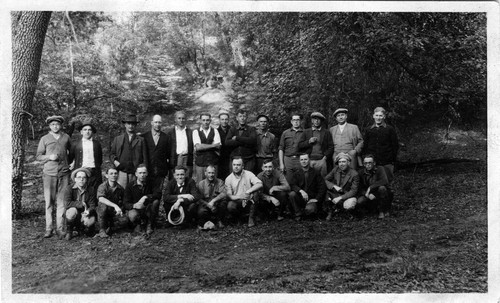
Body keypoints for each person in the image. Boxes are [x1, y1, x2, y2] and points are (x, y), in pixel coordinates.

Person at [36, 115, 72, 239]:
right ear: (49, 126)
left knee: (62, 202)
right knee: (49, 203)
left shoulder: (66, 137)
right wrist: (49, 157)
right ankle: (48, 228)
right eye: (52, 124)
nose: (55, 126)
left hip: (64, 173)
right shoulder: (44, 138)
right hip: (49, 173)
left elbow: (71, 153)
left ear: (61, 125)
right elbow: (39, 156)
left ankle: (60, 229)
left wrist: (70, 164)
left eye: (57, 124)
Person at [110, 114, 148, 189]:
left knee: (134, 192)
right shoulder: (118, 139)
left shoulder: (141, 140)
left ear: (135, 125)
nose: (130, 126)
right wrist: (116, 162)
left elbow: (145, 158)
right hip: (121, 172)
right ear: (125, 125)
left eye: (133, 124)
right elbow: (112, 154)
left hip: (135, 172)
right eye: (128, 124)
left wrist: (142, 171)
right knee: (121, 191)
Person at [362, 107, 399, 185]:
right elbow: (365, 145)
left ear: (384, 117)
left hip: (387, 161)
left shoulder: (389, 129)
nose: (378, 118)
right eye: (377, 115)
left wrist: (392, 159)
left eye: (380, 116)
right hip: (373, 161)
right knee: (374, 183)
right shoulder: (369, 129)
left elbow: (395, 145)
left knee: (388, 182)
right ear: (373, 116)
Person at [123, 164, 161, 237]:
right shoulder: (130, 186)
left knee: (156, 202)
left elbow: (158, 194)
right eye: (140, 173)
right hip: (136, 208)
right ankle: (138, 224)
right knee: (132, 215)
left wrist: (146, 197)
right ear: (136, 174)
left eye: (144, 173)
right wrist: (134, 205)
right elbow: (125, 203)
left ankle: (150, 224)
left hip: (148, 207)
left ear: (147, 173)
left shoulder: (151, 182)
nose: (142, 175)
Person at [225, 157, 263, 227]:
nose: (236, 167)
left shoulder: (249, 174)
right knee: (230, 206)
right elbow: (230, 196)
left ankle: (251, 218)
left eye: (238, 165)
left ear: (242, 166)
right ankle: (239, 218)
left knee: (256, 193)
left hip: (249, 200)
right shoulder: (228, 179)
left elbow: (259, 184)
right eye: (234, 165)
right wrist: (241, 196)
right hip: (238, 201)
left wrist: (248, 191)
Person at [288, 153, 326, 221]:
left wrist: (317, 199)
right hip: (300, 197)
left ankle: (310, 210)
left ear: (309, 160)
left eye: (305, 159)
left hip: (311, 198)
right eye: (301, 160)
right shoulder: (297, 173)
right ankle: (298, 213)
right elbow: (292, 185)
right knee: (292, 194)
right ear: (299, 161)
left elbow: (322, 187)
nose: (304, 161)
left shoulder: (316, 172)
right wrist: (301, 191)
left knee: (310, 210)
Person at [62, 168, 97, 240]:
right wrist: (81, 204)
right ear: (75, 179)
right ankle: (69, 231)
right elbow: (67, 203)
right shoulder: (69, 188)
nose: (81, 179)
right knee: (72, 211)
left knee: (91, 222)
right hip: (74, 212)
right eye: (79, 177)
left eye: (84, 177)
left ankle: (82, 229)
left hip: (85, 213)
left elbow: (92, 204)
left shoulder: (91, 189)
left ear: (86, 179)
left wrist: (89, 211)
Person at [69, 118, 103, 190]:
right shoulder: (76, 144)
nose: (87, 132)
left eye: (89, 130)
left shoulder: (97, 144)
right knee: (81, 191)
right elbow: (70, 158)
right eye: (85, 130)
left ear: (92, 132)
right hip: (81, 171)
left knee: (94, 191)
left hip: (94, 172)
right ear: (81, 132)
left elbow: (100, 159)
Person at [324, 152, 360, 221]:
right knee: (325, 191)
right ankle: (331, 211)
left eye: (344, 162)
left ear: (348, 163)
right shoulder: (336, 169)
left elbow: (353, 191)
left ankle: (346, 213)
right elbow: (325, 180)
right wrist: (334, 186)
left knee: (348, 205)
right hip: (337, 193)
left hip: (347, 195)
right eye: (340, 162)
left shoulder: (354, 174)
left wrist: (340, 198)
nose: (341, 164)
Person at [298, 112, 334, 177]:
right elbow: (300, 145)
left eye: (318, 119)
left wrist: (325, 157)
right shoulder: (306, 132)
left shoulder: (326, 132)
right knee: (309, 179)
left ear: (321, 121)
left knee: (323, 179)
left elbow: (331, 147)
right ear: (312, 120)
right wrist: (309, 142)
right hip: (309, 160)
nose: (316, 121)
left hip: (321, 160)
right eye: (314, 119)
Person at [141, 114, 170, 192]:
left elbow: (168, 154)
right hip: (147, 170)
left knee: (157, 194)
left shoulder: (166, 137)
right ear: (152, 123)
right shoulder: (144, 137)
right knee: (146, 192)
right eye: (156, 122)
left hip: (160, 171)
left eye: (159, 122)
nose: (157, 124)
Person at [357, 154, 391, 219]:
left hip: (378, 192)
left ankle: (382, 210)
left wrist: (370, 188)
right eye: (366, 163)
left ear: (374, 163)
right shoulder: (361, 172)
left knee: (382, 188)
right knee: (360, 201)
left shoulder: (380, 169)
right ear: (363, 164)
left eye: (370, 163)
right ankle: (370, 210)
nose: (368, 165)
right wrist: (366, 194)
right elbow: (359, 187)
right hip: (367, 194)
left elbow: (384, 181)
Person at [96, 167, 125, 238]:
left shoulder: (120, 188)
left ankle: (111, 226)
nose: (113, 175)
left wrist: (120, 209)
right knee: (103, 206)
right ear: (106, 176)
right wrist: (115, 205)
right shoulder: (103, 186)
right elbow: (101, 199)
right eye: (111, 173)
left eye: (115, 173)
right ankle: (102, 230)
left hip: (113, 211)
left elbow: (124, 201)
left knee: (125, 220)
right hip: (102, 210)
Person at [192, 113, 221, 183]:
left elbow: (218, 146)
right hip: (200, 164)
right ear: (200, 121)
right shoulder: (196, 131)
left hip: (213, 163)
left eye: (207, 120)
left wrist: (203, 146)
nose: (205, 122)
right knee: (200, 184)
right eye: (203, 120)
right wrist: (212, 145)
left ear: (210, 121)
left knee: (213, 184)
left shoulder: (215, 131)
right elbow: (198, 147)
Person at [278, 114, 304, 183]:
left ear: (300, 121)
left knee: (301, 179)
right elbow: (281, 148)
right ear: (291, 122)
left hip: (300, 159)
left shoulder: (305, 132)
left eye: (298, 120)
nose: (296, 122)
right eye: (294, 120)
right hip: (288, 159)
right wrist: (281, 164)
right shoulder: (285, 133)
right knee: (288, 180)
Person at [168, 111, 194, 179]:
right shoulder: (170, 133)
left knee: (187, 178)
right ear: (175, 119)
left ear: (185, 119)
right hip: (176, 159)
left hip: (187, 158)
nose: (181, 120)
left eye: (183, 118)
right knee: (175, 179)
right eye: (179, 118)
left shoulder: (190, 132)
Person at [216, 111, 231, 180]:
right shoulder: (215, 131)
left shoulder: (232, 130)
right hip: (220, 158)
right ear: (219, 120)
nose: (224, 121)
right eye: (222, 119)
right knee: (220, 177)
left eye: (226, 119)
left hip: (230, 157)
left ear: (228, 120)